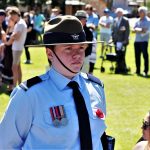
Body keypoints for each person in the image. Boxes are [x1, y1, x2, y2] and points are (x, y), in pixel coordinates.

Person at [0, 15, 106, 149]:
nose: (77, 55)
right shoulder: (29, 95)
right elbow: (5, 145)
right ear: (50, 54)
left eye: (81, 48)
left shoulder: (96, 88)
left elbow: (97, 138)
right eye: (68, 48)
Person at [6, 7, 27, 88]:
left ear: (15, 15)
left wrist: (11, 38)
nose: (11, 18)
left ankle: (15, 87)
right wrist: (12, 36)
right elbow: (14, 35)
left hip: (17, 49)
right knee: (18, 67)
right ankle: (19, 84)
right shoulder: (19, 23)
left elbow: (16, 36)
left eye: (11, 16)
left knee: (14, 67)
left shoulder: (20, 24)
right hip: (17, 48)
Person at [132, 6, 150, 77]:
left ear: (144, 12)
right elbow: (133, 30)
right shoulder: (137, 20)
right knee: (137, 56)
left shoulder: (148, 21)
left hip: (144, 41)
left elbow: (145, 31)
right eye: (139, 12)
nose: (139, 13)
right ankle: (138, 70)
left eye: (141, 12)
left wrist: (137, 29)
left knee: (145, 56)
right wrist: (140, 30)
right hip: (137, 41)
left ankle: (145, 71)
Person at [112, 8, 130, 74]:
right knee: (117, 55)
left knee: (122, 55)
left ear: (122, 13)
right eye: (117, 13)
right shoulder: (115, 20)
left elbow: (127, 31)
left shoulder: (125, 20)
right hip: (116, 41)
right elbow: (113, 30)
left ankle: (123, 69)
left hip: (122, 41)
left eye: (120, 13)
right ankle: (119, 68)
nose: (118, 14)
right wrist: (112, 38)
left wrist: (125, 40)